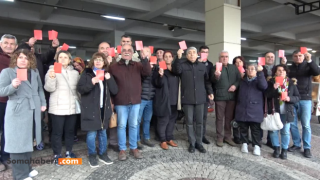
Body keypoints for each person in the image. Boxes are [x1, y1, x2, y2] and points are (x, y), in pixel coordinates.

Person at [0, 49, 46, 179]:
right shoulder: (8, 72)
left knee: (28, 141)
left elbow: (40, 89)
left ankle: (27, 169)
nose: (23, 60)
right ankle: (20, 175)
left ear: (30, 60)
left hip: (34, 109)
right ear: (16, 59)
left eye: (26, 58)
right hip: (17, 111)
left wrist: (43, 103)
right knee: (17, 144)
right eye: (20, 57)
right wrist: (12, 86)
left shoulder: (34, 72)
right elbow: (1, 91)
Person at [109, 44, 151, 160]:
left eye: (129, 50)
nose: (126, 52)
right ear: (120, 52)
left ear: (132, 53)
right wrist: (112, 101)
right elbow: (111, 86)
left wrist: (145, 59)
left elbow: (147, 73)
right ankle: (122, 149)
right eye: (124, 50)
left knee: (134, 125)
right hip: (120, 102)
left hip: (135, 101)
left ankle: (133, 148)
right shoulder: (114, 67)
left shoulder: (138, 65)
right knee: (121, 126)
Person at [77, 52, 118, 168]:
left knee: (103, 133)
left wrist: (109, 79)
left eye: (100, 59)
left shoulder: (107, 74)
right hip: (90, 109)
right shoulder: (87, 74)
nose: (98, 61)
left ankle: (103, 154)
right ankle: (92, 155)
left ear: (104, 62)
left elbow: (115, 91)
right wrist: (92, 82)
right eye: (96, 59)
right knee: (91, 133)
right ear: (93, 61)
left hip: (103, 109)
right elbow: (80, 89)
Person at [172, 47, 214, 153]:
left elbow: (207, 81)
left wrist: (210, 92)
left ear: (197, 55)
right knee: (189, 122)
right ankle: (192, 142)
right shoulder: (182, 65)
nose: (191, 55)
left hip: (201, 98)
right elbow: (176, 71)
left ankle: (199, 143)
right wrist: (178, 57)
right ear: (187, 55)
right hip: (187, 98)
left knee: (200, 122)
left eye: (193, 53)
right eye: (189, 53)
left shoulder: (202, 66)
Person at [44, 51, 80, 165]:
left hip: (72, 107)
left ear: (70, 60)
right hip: (57, 107)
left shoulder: (75, 73)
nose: (63, 59)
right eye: (61, 57)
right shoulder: (51, 70)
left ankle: (69, 152)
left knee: (70, 132)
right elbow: (49, 89)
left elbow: (78, 91)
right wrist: (51, 78)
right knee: (57, 132)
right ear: (57, 59)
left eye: (66, 57)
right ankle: (57, 154)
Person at [288, 51, 320, 158]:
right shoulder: (290, 68)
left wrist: (310, 60)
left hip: (305, 99)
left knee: (306, 124)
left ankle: (307, 147)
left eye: (300, 56)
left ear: (303, 56)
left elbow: (316, 72)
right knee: (292, 124)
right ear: (293, 57)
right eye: (295, 56)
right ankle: (296, 144)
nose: (298, 58)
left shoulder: (308, 66)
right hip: (293, 98)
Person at [265, 64, 300, 159]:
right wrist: (274, 88)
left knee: (285, 131)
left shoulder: (291, 83)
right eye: (279, 70)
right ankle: (276, 148)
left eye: (283, 70)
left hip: (286, 111)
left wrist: (289, 98)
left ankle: (284, 150)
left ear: (286, 72)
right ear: (275, 72)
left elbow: (297, 97)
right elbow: (266, 95)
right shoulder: (271, 82)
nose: (281, 72)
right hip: (274, 110)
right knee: (273, 130)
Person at [235, 63, 267, 156]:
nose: (250, 71)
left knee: (255, 129)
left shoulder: (259, 80)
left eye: (252, 69)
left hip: (255, 108)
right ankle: (244, 143)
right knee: (243, 127)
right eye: (248, 69)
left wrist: (261, 73)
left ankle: (256, 145)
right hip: (242, 107)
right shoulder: (243, 81)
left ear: (256, 71)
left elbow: (264, 86)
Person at [211, 51, 241, 147]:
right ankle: (219, 137)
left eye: (226, 57)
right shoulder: (215, 67)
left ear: (228, 58)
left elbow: (239, 79)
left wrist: (235, 86)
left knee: (229, 118)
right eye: (222, 57)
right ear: (219, 58)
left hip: (231, 97)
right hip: (220, 96)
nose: (224, 58)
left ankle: (228, 137)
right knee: (220, 118)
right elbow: (211, 81)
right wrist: (216, 76)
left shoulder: (233, 67)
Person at [153, 51, 179, 150]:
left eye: (169, 56)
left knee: (172, 120)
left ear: (172, 58)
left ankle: (169, 138)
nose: (168, 58)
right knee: (163, 121)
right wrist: (160, 76)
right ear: (163, 58)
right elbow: (156, 83)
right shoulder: (159, 69)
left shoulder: (175, 71)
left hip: (174, 99)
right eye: (165, 56)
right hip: (163, 100)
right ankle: (162, 140)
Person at [0, 34, 18, 172]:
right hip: (0, 99)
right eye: (6, 43)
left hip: (13, 101)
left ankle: (6, 156)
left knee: (8, 130)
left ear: (16, 46)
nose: (9, 45)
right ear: (1, 44)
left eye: (12, 44)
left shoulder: (19, 60)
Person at [136, 47, 156, 149]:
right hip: (141, 97)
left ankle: (146, 138)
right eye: (143, 52)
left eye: (147, 51)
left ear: (150, 53)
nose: (145, 54)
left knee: (147, 120)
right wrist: (145, 64)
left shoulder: (155, 65)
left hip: (151, 97)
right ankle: (137, 140)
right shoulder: (138, 65)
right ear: (140, 54)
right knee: (137, 120)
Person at [198, 45, 214, 144]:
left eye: (206, 52)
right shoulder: (195, 62)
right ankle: (194, 136)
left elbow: (210, 80)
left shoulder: (210, 65)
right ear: (199, 53)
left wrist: (210, 92)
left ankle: (202, 135)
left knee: (204, 117)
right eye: (203, 51)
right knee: (196, 117)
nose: (205, 53)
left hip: (205, 94)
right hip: (195, 93)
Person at [232, 56, 246, 144]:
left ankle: (244, 136)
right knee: (235, 117)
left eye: (240, 61)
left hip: (244, 98)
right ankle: (236, 136)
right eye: (236, 62)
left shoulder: (248, 72)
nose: (238, 64)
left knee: (244, 118)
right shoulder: (232, 72)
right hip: (234, 97)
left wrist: (243, 76)